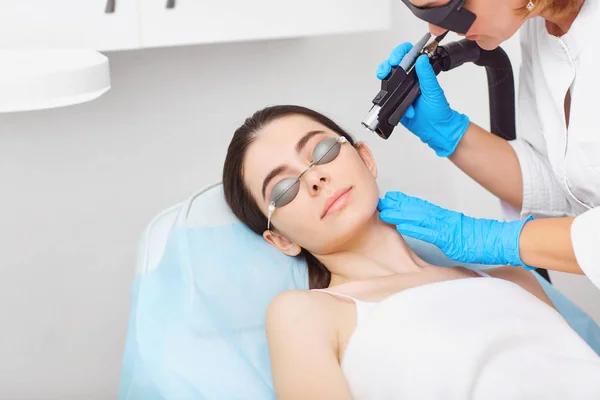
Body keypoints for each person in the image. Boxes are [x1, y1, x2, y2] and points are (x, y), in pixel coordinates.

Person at [221, 104, 600, 399]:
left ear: (366, 158)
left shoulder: (515, 279)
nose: (315, 179)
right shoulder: (307, 313)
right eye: (284, 190)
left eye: (321, 151)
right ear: (282, 240)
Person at [374, 0, 600, 290]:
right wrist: (449, 133)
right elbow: (567, 188)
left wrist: (490, 238)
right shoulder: (538, 24)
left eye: (445, 10)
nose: (436, 29)